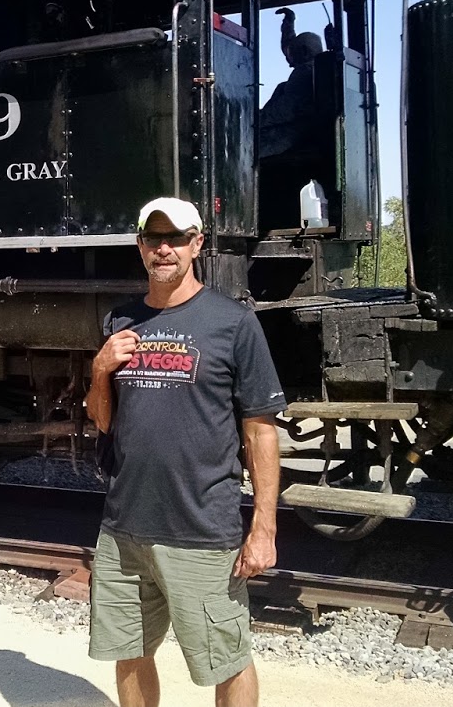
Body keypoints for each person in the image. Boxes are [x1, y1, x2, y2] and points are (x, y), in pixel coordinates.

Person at [85, 197, 284, 707]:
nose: (164, 249)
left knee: (228, 658)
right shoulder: (121, 320)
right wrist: (100, 369)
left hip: (200, 529)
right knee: (129, 651)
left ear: (197, 244)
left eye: (176, 238)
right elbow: (102, 420)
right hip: (124, 527)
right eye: (154, 239)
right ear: (140, 247)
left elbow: (261, 431)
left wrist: (263, 528)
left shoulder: (233, 323)